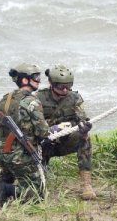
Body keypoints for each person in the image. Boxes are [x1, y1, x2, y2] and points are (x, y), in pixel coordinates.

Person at [0, 63, 49, 206]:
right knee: (37, 194)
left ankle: (3, 184)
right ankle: (4, 189)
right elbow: (43, 132)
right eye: (35, 77)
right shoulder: (32, 101)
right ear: (24, 80)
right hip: (18, 155)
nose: (39, 80)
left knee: (10, 170)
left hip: (0, 151)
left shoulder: (6, 98)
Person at [36, 64, 95, 200]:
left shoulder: (75, 98)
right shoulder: (38, 98)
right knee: (37, 184)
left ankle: (86, 185)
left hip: (64, 143)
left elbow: (82, 116)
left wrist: (85, 126)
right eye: (60, 86)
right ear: (51, 83)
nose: (64, 90)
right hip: (43, 145)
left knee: (84, 138)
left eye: (68, 86)